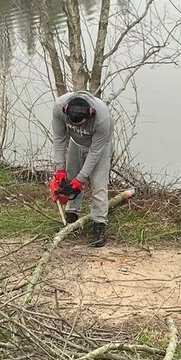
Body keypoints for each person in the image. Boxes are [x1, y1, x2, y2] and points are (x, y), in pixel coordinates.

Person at [48, 91, 112, 247]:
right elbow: (59, 138)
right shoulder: (59, 107)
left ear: (90, 114)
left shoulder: (103, 119)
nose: (78, 127)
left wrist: (81, 178)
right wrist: (60, 168)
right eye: (74, 125)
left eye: (81, 124)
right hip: (76, 143)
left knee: (98, 184)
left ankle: (99, 224)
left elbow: (95, 152)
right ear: (66, 111)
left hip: (99, 147)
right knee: (70, 178)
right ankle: (72, 216)